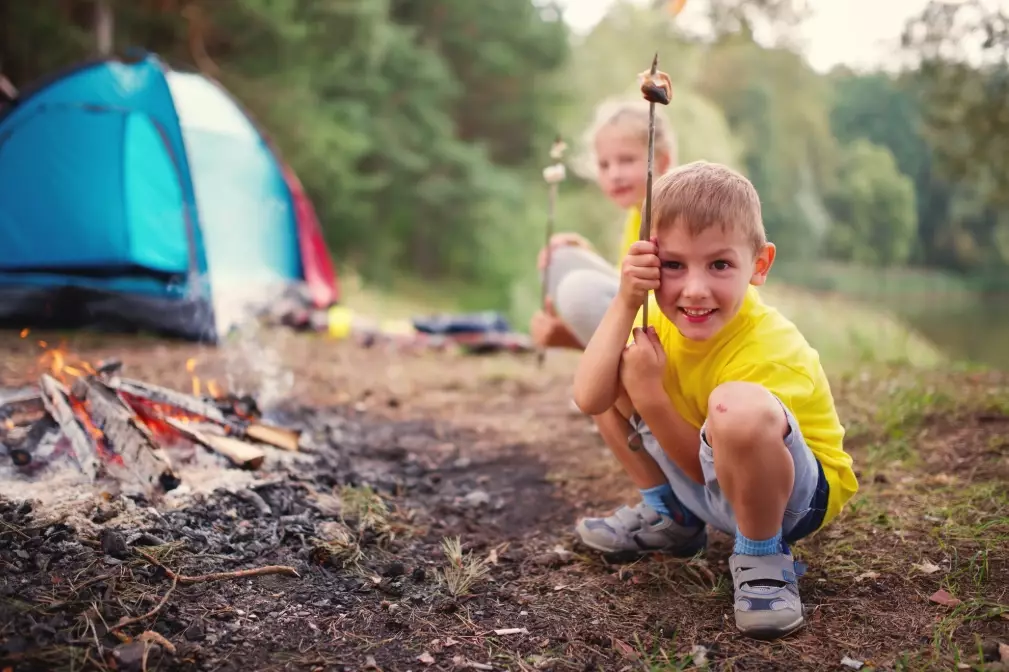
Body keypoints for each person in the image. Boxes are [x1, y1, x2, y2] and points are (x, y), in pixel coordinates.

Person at [570, 160, 859, 641]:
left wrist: (651, 397)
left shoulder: (772, 348)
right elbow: (589, 396)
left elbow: (713, 476)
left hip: (788, 502)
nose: (695, 290)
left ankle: (763, 556)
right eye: (673, 265)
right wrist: (625, 301)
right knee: (611, 367)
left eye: (720, 265)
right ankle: (674, 518)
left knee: (735, 408)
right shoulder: (655, 317)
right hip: (707, 485)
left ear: (759, 265)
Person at [531, 98, 676, 350]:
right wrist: (585, 252)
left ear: (662, 162)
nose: (614, 175)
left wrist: (570, 339)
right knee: (559, 258)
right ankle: (606, 353)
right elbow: (627, 286)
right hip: (642, 320)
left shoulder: (673, 213)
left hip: (671, 335)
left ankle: (629, 362)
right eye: (604, 165)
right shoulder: (637, 213)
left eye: (627, 160)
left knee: (577, 291)